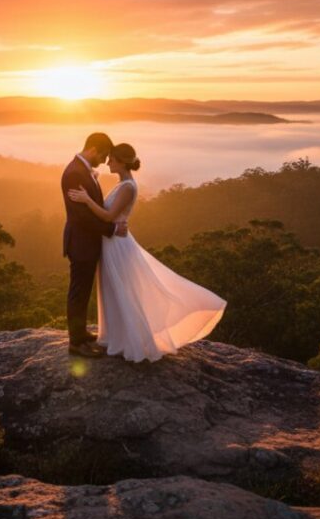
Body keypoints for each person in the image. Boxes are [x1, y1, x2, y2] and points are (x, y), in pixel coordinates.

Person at [68, 143, 226, 362]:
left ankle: (130, 339)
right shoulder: (123, 184)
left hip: (117, 245)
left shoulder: (127, 187)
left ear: (122, 162)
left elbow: (107, 216)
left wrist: (86, 200)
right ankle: (117, 336)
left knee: (123, 290)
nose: (108, 162)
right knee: (114, 290)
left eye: (112, 159)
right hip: (112, 241)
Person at [61, 132, 128, 358]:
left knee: (84, 289)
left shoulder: (82, 171)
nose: (104, 161)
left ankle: (80, 334)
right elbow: (81, 217)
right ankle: (75, 343)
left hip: (87, 241)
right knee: (78, 292)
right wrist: (111, 229)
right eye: (103, 156)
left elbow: (91, 208)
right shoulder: (74, 173)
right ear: (92, 150)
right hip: (81, 242)